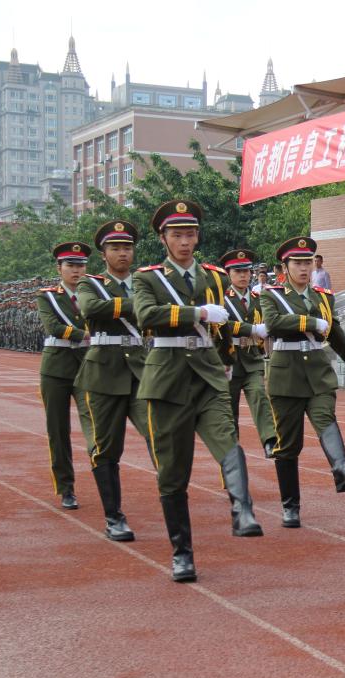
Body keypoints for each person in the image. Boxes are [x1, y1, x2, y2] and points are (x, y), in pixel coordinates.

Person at [134, 200, 263, 583]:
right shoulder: (148, 278)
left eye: (190, 234)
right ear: (163, 238)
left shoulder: (214, 277)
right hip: (168, 377)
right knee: (173, 472)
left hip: (208, 373)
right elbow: (146, 316)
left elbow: (221, 329)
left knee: (228, 440)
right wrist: (199, 314)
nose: (185, 242)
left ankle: (242, 510)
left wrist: (226, 358)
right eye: (177, 235)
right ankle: (182, 553)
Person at [260, 236, 345, 528]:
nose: (304, 268)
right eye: (298, 263)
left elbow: (335, 333)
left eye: (308, 262)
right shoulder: (272, 295)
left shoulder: (323, 297)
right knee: (288, 444)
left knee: (325, 417)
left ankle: (341, 468)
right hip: (286, 375)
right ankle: (290, 506)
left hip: (318, 371)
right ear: (285, 267)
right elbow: (273, 323)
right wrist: (309, 322)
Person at [75, 221, 154, 540]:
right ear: (103, 254)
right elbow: (90, 308)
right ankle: (114, 516)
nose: (123, 253)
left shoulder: (146, 281)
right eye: (115, 248)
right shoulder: (90, 283)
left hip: (140, 370)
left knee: (159, 433)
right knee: (106, 447)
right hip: (103, 372)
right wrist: (140, 306)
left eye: (127, 247)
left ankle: (172, 498)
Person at [36, 241, 95, 510]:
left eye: (81, 265)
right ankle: (66, 487)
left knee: (95, 425)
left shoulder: (94, 294)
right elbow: (54, 327)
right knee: (58, 431)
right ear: (59, 268)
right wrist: (87, 335)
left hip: (87, 365)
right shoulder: (48, 297)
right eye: (70, 265)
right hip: (56, 369)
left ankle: (103, 477)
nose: (76, 270)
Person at [218, 249, 277, 459]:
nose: (243, 275)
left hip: (252, 357)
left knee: (259, 395)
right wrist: (251, 329)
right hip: (229, 358)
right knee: (229, 410)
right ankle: (231, 453)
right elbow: (222, 323)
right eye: (238, 271)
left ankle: (270, 440)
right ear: (228, 274)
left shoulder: (258, 298)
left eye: (246, 271)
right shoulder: (221, 298)